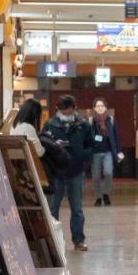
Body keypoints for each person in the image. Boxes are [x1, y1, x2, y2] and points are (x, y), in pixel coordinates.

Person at [41, 95, 94, 252]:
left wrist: (82, 155)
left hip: (76, 171)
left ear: (74, 108)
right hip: (56, 172)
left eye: (67, 110)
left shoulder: (84, 125)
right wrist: (55, 147)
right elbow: (42, 145)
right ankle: (52, 241)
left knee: (77, 208)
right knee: (52, 208)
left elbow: (92, 144)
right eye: (62, 110)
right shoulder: (50, 125)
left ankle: (78, 240)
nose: (64, 113)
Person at [87, 98, 124, 206]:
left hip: (108, 151)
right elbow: (91, 137)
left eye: (102, 106)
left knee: (108, 173)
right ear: (94, 108)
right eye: (98, 106)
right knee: (96, 176)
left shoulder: (110, 120)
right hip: (95, 152)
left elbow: (116, 137)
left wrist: (119, 151)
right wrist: (101, 138)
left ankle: (106, 194)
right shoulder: (91, 121)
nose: (100, 108)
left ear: (105, 107)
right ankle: (98, 197)